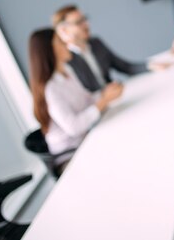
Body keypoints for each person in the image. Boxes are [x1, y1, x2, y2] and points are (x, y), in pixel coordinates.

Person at [28, 28, 123, 174]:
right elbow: (73, 127)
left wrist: (105, 93)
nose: (66, 43)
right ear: (50, 50)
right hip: (69, 157)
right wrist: (103, 101)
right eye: (60, 41)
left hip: (87, 141)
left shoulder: (67, 72)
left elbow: (87, 99)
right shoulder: (50, 89)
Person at [52, 5, 169, 92]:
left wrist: (149, 66)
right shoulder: (64, 60)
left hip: (116, 100)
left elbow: (125, 67)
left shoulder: (96, 43)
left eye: (85, 19)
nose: (86, 25)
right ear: (63, 31)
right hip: (96, 111)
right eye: (79, 22)